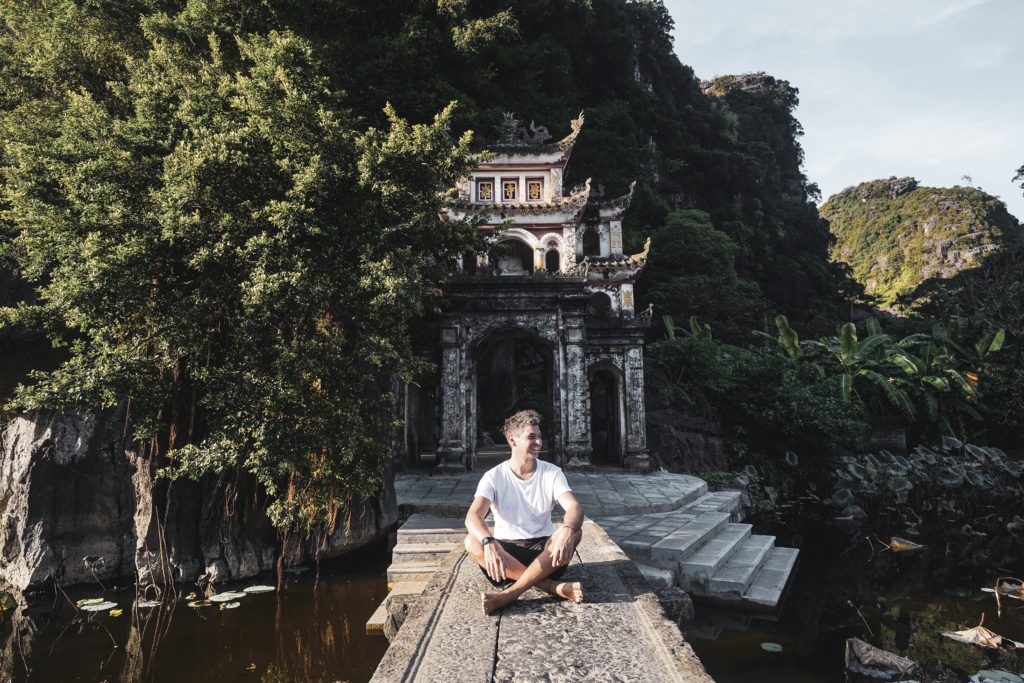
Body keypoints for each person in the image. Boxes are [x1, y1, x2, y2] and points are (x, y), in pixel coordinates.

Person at [464, 409, 585, 615]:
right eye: (531, 437)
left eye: (539, 437)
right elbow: (472, 516)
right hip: (505, 556)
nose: (538, 442)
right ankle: (551, 587)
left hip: (546, 554)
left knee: (575, 531)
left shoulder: (552, 473)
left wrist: (566, 528)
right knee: (471, 541)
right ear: (513, 440)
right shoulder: (494, 476)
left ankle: (510, 594)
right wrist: (488, 541)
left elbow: (574, 507)